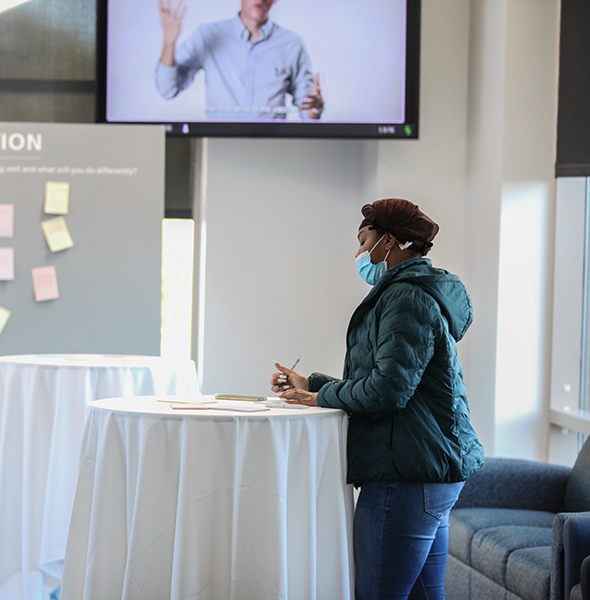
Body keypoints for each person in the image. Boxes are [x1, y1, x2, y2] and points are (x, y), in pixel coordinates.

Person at [270, 198, 484, 600]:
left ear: (388, 241)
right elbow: (390, 380)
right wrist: (314, 384)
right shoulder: (414, 294)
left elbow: (389, 390)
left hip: (406, 475)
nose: (358, 253)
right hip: (426, 469)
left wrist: (321, 398)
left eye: (362, 240)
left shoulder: (406, 298)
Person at [156, 0, 324, 120]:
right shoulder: (209, 35)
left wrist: (314, 108)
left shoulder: (292, 44)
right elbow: (167, 89)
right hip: (220, 147)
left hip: (273, 148)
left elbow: (308, 113)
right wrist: (169, 42)